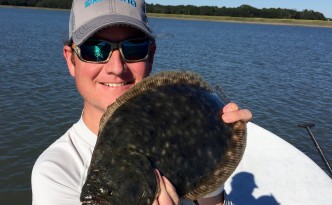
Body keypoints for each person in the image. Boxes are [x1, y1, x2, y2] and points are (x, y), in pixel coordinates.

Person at [31, 0, 252, 205]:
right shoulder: (55, 172)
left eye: (134, 47)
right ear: (71, 59)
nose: (116, 68)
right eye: (95, 49)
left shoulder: (180, 131)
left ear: (151, 55)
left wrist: (216, 157)